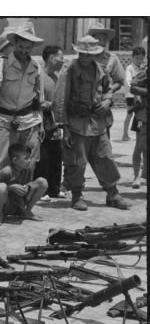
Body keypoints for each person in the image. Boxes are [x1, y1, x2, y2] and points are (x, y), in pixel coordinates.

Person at [0, 26, 49, 220]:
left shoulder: (36, 66)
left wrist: (40, 124)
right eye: (21, 46)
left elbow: (39, 97)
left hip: (29, 120)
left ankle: (22, 204)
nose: (24, 50)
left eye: (28, 47)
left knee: (29, 162)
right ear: (14, 43)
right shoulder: (1, 63)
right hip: (6, 119)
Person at [58, 36, 131, 211]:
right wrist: (65, 128)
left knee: (106, 158)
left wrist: (107, 102)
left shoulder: (100, 69)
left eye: (88, 54)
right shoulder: (69, 70)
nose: (85, 57)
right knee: (77, 162)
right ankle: (77, 195)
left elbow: (108, 90)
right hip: (76, 124)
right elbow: (60, 100)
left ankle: (113, 194)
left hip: (98, 124)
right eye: (82, 54)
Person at [0, 143, 47, 226]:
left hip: (19, 204)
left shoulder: (27, 169)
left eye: (29, 158)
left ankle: (27, 212)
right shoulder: (6, 171)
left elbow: (29, 183)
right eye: (26, 158)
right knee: (1, 187)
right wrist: (11, 187)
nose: (29, 161)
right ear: (15, 160)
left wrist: (27, 186)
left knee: (42, 182)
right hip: (5, 205)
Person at [34, 45, 67, 201]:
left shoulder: (57, 77)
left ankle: (54, 188)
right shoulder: (39, 76)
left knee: (56, 156)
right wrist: (46, 104)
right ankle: (42, 190)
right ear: (51, 58)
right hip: (42, 122)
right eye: (61, 57)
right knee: (43, 157)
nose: (63, 61)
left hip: (55, 124)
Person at [87, 22, 126, 95]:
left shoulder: (112, 58)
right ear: (92, 41)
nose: (102, 42)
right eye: (98, 39)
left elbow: (120, 81)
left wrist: (111, 89)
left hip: (105, 99)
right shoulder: (86, 57)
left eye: (104, 39)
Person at [129, 53, 147, 189]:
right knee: (140, 147)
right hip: (144, 116)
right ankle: (136, 177)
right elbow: (132, 87)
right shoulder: (145, 71)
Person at [123, 46, 146, 141]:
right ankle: (125, 134)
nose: (139, 60)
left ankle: (139, 134)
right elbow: (128, 82)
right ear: (132, 57)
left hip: (140, 95)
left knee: (139, 115)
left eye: (141, 58)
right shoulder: (130, 68)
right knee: (129, 114)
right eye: (137, 58)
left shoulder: (143, 68)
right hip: (131, 96)